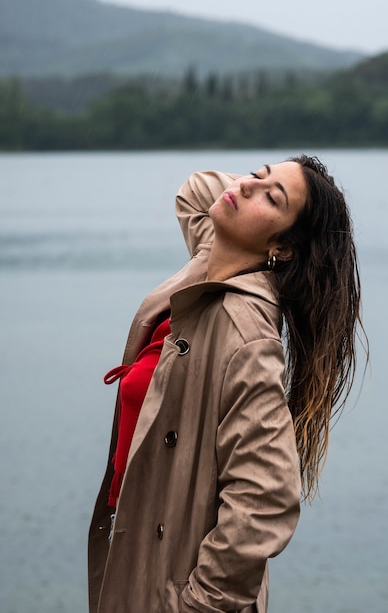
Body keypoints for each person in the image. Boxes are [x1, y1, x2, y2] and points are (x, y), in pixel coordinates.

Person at [88, 154, 365, 613]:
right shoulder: (212, 257)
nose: (247, 187)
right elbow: (195, 189)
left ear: (283, 248)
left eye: (271, 198)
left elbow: (268, 498)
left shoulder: (247, 338)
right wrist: (269, 187)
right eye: (255, 174)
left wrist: (195, 604)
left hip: (171, 585)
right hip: (137, 552)